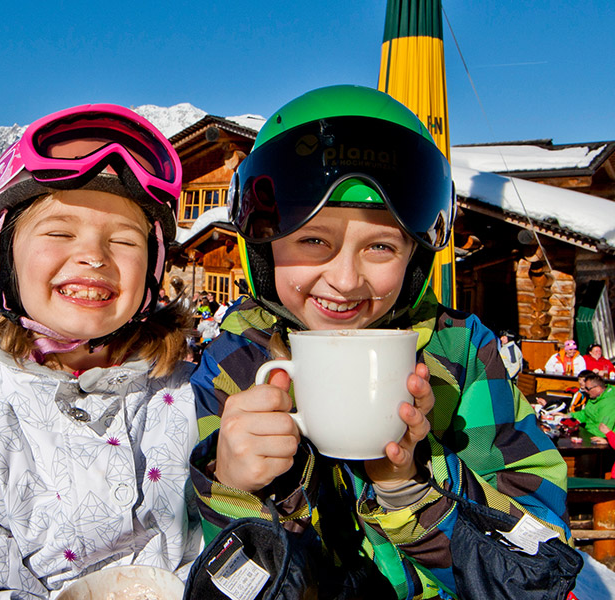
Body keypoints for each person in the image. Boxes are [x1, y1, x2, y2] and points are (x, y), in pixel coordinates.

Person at [189, 86, 569, 598]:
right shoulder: (234, 363)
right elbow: (212, 577)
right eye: (313, 240)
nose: (345, 280)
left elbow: (537, 567)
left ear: (415, 257)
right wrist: (232, 489)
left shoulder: (461, 356)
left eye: (381, 246)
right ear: (264, 246)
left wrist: (408, 485)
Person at [0, 104, 200, 598]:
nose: (94, 256)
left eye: (124, 240)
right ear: (5, 260)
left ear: (152, 269)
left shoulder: (191, 399)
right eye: (60, 232)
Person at [572, 371, 615, 441]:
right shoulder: (594, 398)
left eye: (588, 389)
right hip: (591, 434)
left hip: (609, 441)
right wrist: (568, 416)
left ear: (598, 388)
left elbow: (602, 429)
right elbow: (586, 414)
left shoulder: (610, 403)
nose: (586, 391)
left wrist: (583, 435)